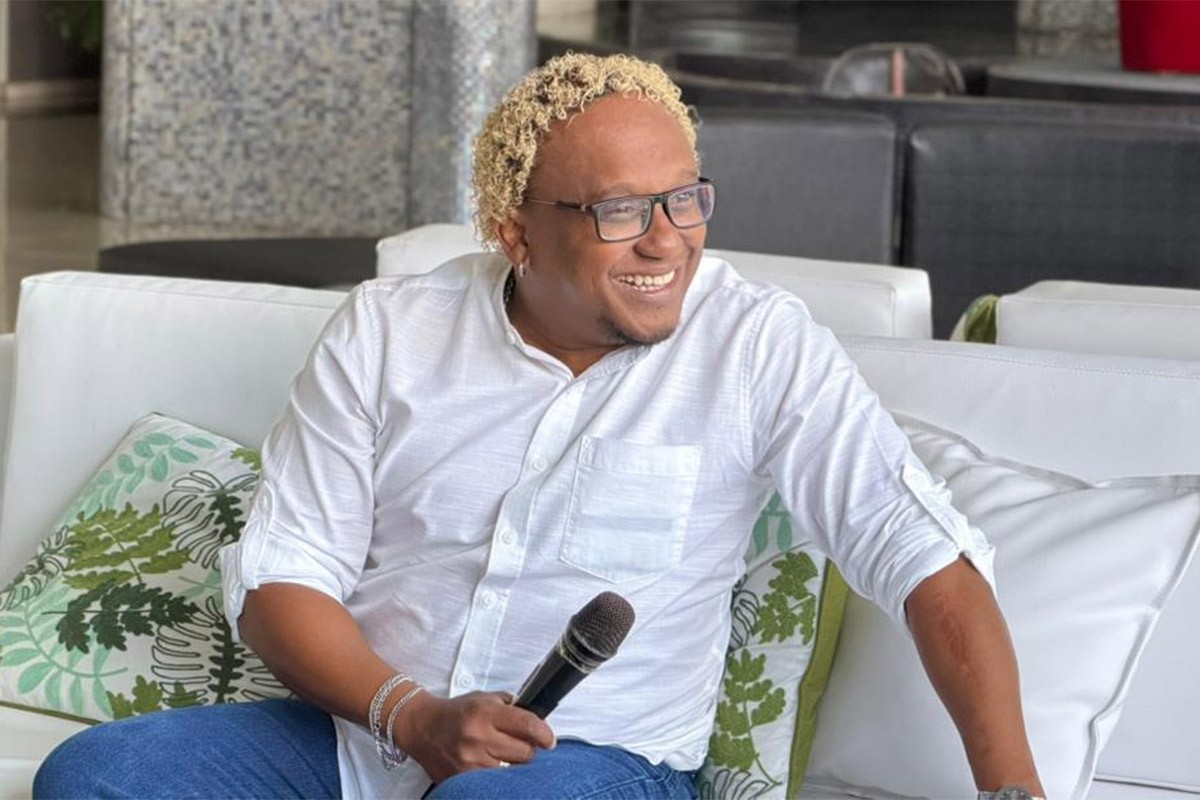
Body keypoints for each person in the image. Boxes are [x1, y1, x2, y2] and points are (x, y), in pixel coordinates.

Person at [34, 53, 1043, 800]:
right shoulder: (388, 332)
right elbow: (282, 580)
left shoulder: (757, 347)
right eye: (621, 212)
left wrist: (1014, 792)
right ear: (515, 230)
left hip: (598, 766)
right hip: (361, 741)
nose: (667, 242)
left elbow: (925, 560)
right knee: (94, 776)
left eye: (684, 200)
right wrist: (408, 716)